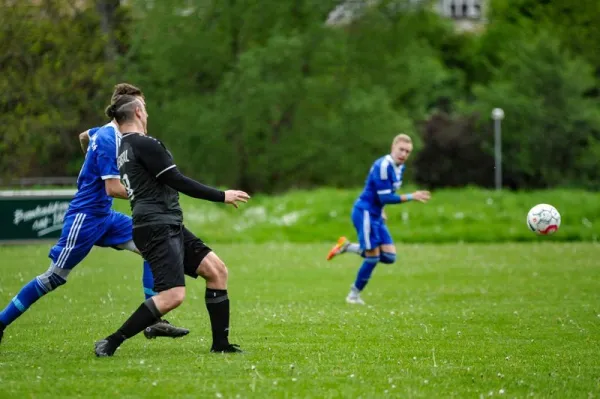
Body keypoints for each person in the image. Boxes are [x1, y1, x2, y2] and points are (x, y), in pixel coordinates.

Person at [0, 84, 188, 346]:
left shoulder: (104, 132)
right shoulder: (110, 139)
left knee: (150, 247)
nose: (144, 113)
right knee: (54, 277)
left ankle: (154, 322)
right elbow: (112, 188)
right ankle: (1, 322)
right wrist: (148, 194)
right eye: (142, 107)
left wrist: (91, 160)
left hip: (106, 216)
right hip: (85, 217)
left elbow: (83, 136)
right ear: (130, 110)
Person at [94, 94, 250, 357]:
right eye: (145, 108)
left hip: (164, 222)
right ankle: (111, 341)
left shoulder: (123, 148)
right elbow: (177, 180)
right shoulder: (145, 144)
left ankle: (220, 345)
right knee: (173, 296)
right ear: (139, 113)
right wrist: (221, 195)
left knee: (217, 271)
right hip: (156, 226)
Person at [326, 134, 431, 305]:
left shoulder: (400, 168)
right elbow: (386, 197)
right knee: (373, 258)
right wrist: (412, 196)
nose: (404, 154)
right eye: (401, 150)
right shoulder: (383, 166)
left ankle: (347, 247)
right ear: (393, 147)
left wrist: (381, 211)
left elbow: (382, 195)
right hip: (365, 212)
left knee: (389, 257)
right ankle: (353, 295)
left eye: (407, 151)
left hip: (375, 214)